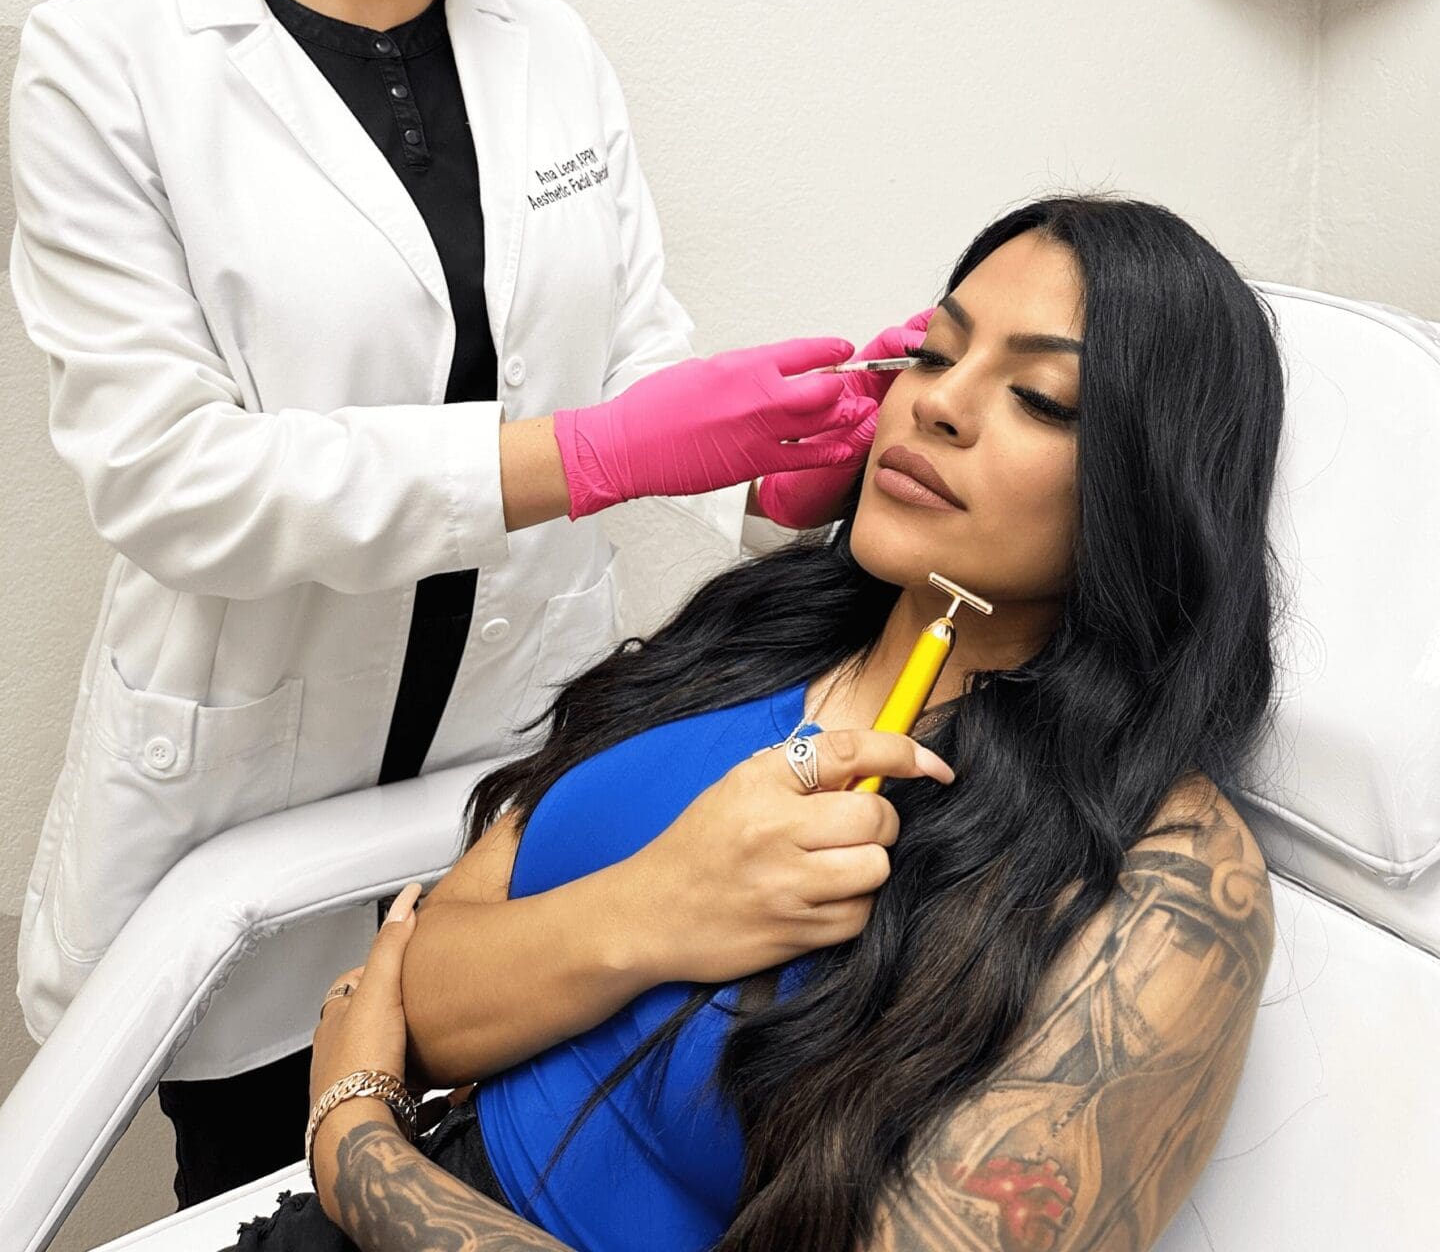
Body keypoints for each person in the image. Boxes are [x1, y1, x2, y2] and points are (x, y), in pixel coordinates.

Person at [5, 0, 914, 1207]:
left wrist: (784, 466)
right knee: (265, 1185)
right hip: (237, 794)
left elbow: (642, 371)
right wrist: (590, 456)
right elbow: (173, 481)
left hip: (506, 780)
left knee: (484, 1166)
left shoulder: (550, 53)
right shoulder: (105, 65)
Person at [232, 194, 1281, 1252]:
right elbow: (422, 990)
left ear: (1153, 490)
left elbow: (381, 1059)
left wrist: (359, 1147)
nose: (939, 404)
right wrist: (662, 904)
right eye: (932, 351)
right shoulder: (758, 633)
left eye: (1045, 399)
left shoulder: (1164, 878)